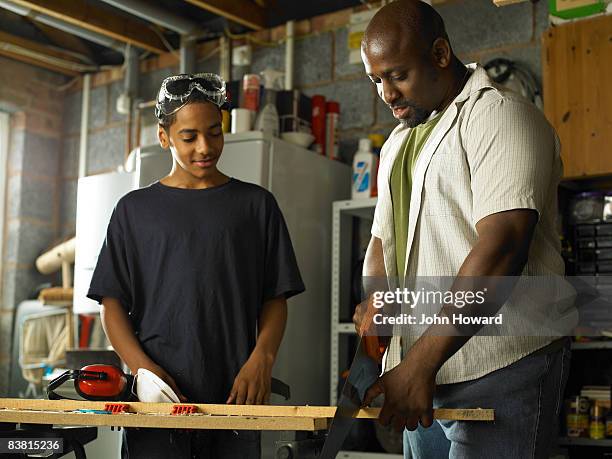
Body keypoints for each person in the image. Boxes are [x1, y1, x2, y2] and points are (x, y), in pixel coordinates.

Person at [353, 1, 571, 458]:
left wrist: (419, 363)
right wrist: (379, 299)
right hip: (423, 371)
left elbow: (503, 246)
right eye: (376, 80)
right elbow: (381, 238)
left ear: (439, 54)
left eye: (397, 75)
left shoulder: (500, 117)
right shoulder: (397, 143)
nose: (387, 94)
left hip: (501, 362)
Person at [87, 73, 305, 459]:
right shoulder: (134, 212)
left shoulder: (256, 206)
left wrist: (262, 359)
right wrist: (143, 372)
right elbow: (111, 304)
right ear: (164, 136)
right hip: (158, 404)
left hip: (236, 400)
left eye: (214, 132)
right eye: (189, 137)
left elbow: (275, 297)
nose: (205, 147)